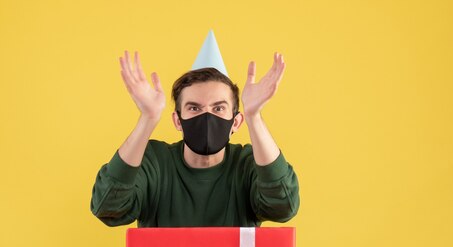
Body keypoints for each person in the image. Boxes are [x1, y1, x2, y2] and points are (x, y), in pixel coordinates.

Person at [90, 50, 299, 227]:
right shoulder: (154, 161)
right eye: (194, 108)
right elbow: (108, 207)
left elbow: (283, 207)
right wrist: (148, 118)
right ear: (178, 121)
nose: (206, 116)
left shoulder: (248, 163)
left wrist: (254, 116)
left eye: (218, 108)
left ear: (235, 122)